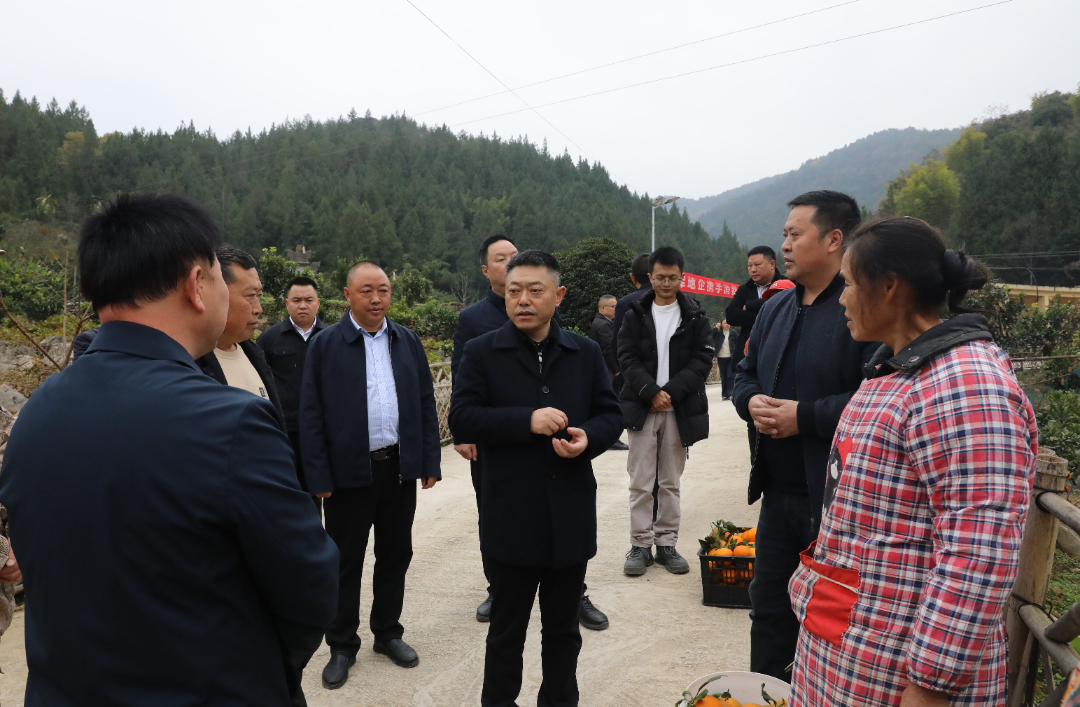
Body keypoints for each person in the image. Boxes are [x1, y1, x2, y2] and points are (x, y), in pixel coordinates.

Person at [0, 192, 339, 707]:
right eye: (220, 277)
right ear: (195, 285)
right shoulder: (231, 422)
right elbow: (309, 589)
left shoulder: (37, 413)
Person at [788, 217, 1037, 706]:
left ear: (888, 287)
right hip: (856, 649)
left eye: (848, 284)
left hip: (901, 675)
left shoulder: (966, 386)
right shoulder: (898, 369)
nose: (841, 299)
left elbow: (978, 549)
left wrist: (931, 683)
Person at [448, 250, 623, 707]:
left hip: (569, 514)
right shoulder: (482, 351)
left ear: (558, 295)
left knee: (563, 631)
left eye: (534, 290)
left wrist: (589, 438)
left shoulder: (583, 352)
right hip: (510, 515)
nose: (522, 300)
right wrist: (525, 420)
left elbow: (610, 414)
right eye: (514, 291)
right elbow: (462, 418)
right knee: (506, 632)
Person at [732, 190, 879, 681]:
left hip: (838, 501)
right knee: (769, 610)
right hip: (778, 495)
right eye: (784, 235)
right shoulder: (775, 308)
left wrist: (807, 416)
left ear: (834, 239)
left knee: (831, 624)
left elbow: (878, 399)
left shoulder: (861, 309)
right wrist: (749, 401)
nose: (785, 246)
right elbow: (744, 374)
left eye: (795, 235)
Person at [300, 260, 441, 690]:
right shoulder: (325, 345)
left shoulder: (406, 340)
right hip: (348, 474)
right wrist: (318, 475)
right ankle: (342, 644)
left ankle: (387, 632)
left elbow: (424, 402)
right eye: (366, 291)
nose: (377, 298)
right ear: (347, 295)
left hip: (397, 469)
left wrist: (428, 461)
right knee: (345, 561)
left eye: (383, 290)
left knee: (396, 553)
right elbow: (311, 415)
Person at [617, 246, 713, 576]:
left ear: (682, 277)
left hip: (678, 408)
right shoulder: (634, 313)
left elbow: (703, 359)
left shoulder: (695, 315)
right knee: (641, 481)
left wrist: (670, 393)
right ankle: (640, 545)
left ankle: (666, 543)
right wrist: (651, 392)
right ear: (650, 277)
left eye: (672, 277)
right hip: (643, 407)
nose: (666, 283)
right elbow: (626, 357)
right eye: (660, 277)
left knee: (670, 481)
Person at [194, 246, 287, 432]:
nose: (258, 309)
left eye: (259, 296)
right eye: (250, 296)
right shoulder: (190, 365)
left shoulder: (254, 355)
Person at [257, 276, 329, 502]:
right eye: (296, 300)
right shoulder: (269, 339)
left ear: (318, 302)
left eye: (309, 300)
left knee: (321, 490)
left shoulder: (331, 338)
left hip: (323, 430)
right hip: (285, 430)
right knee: (287, 490)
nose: (303, 305)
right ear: (287, 303)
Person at [588, 294, 629, 451]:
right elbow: (607, 349)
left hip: (606, 370)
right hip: (608, 371)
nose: (616, 309)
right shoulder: (603, 324)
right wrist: (617, 370)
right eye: (614, 307)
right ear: (603, 308)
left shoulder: (602, 322)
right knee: (612, 404)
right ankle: (612, 439)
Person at [607, 253, 652, 371]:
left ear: (632, 277)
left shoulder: (625, 303)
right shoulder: (678, 300)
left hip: (636, 374)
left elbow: (616, 346)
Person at [712, 320, 733, 400]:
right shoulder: (718, 333)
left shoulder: (733, 333)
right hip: (721, 357)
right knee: (723, 376)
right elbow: (710, 335)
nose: (727, 324)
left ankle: (731, 393)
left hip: (731, 357)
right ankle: (724, 394)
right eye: (725, 323)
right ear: (721, 324)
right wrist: (716, 327)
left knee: (730, 375)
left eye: (728, 323)